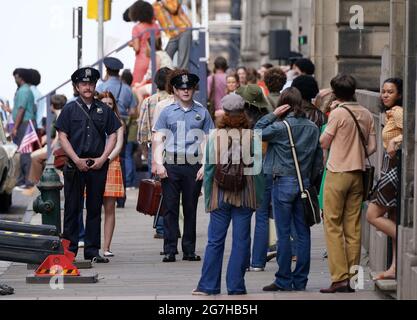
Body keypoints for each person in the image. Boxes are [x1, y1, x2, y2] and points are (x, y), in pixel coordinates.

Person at [193, 94, 264, 296]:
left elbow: (208, 170)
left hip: (219, 194)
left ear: (224, 113)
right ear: (243, 113)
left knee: (215, 240)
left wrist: (208, 198)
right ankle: (236, 286)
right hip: (245, 195)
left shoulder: (214, 136)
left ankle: (208, 286)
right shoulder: (253, 137)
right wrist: (257, 198)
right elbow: (258, 171)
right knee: (241, 241)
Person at [255, 87, 323, 291]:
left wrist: (272, 115)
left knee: (283, 233)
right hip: (304, 183)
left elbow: (256, 132)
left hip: (282, 182)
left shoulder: (279, 127)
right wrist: (309, 181)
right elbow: (318, 160)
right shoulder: (312, 127)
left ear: (283, 105)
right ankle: (301, 280)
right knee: (303, 233)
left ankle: (283, 279)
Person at [55, 67, 121, 263]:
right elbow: (62, 136)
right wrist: (75, 159)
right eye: (83, 84)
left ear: (95, 86)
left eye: (91, 84)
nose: (88, 87)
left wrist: (103, 158)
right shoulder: (69, 108)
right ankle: (69, 251)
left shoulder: (104, 109)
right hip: (75, 165)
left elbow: (113, 135)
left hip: (97, 165)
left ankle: (92, 251)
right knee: (72, 209)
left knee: (94, 209)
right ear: (76, 86)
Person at [319, 74, 377, 293]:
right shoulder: (366, 113)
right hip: (358, 174)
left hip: (337, 172)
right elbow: (371, 147)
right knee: (353, 227)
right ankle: (355, 279)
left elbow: (324, 141)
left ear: (335, 92)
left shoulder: (337, 113)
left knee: (332, 225)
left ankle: (339, 278)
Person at [153, 69, 214, 262]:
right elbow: (158, 138)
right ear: (175, 90)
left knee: (190, 207)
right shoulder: (167, 112)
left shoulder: (202, 112)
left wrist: (205, 166)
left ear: (194, 90)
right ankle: (170, 249)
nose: (185, 91)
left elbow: (208, 141)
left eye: (189, 88)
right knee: (170, 208)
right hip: (171, 163)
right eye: (181, 88)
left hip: (193, 165)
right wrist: (158, 163)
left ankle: (189, 250)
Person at [367, 78, 403, 281]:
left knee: (372, 215)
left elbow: (410, 131)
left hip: (395, 171)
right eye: (383, 91)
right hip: (390, 168)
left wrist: (395, 141)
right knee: (393, 218)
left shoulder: (398, 111)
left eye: (390, 92)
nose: (385, 95)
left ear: (399, 94)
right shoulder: (392, 113)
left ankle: (408, 241)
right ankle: (394, 268)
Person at [137, 67, 173, 238]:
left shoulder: (149, 101)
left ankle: (160, 225)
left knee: (160, 186)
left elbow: (143, 130)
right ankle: (174, 224)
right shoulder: (176, 100)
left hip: (155, 146)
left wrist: (145, 151)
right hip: (175, 146)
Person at [97, 57, 138, 202]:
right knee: (124, 157)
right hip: (122, 123)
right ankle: (121, 196)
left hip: (104, 127)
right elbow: (133, 110)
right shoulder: (127, 89)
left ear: (107, 70)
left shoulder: (100, 88)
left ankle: (103, 191)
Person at [97, 91, 125, 257]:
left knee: (109, 208)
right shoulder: (92, 118)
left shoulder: (117, 121)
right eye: (104, 103)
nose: (107, 106)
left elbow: (119, 144)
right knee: (93, 208)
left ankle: (106, 247)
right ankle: (91, 244)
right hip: (94, 164)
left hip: (111, 164)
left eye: (110, 104)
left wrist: (104, 160)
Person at [28, 94, 67, 185]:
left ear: (53, 105)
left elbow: (59, 136)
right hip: (55, 146)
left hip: (58, 148)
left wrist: (50, 147)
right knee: (36, 155)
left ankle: (36, 183)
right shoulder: (59, 115)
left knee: (34, 157)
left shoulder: (60, 115)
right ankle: (40, 182)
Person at [11, 68, 36, 190]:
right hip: (27, 123)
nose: (15, 80)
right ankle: (23, 180)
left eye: (16, 77)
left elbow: (21, 109)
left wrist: (15, 127)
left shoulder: (23, 91)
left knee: (25, 152)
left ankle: (27, 181)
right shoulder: (27, 90)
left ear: (20, 77)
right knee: (24, 152)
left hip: (25, 123)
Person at [153, 0, 193, 69]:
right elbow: (151, 18)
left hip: (184, 29)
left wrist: (163, 2)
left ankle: (181, 77)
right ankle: (167, 77)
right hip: (172, 35)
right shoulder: (154, 6)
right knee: (166, 56)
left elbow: (173, 9)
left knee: (182, 58)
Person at [129, 0, 160, 85]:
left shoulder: (136, 28)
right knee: (153, 88)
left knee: (137, 87)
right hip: (155, 60)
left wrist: (131, 44)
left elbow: (137, 48)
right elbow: (158, 44)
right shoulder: (156, 26)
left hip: (142, 61)